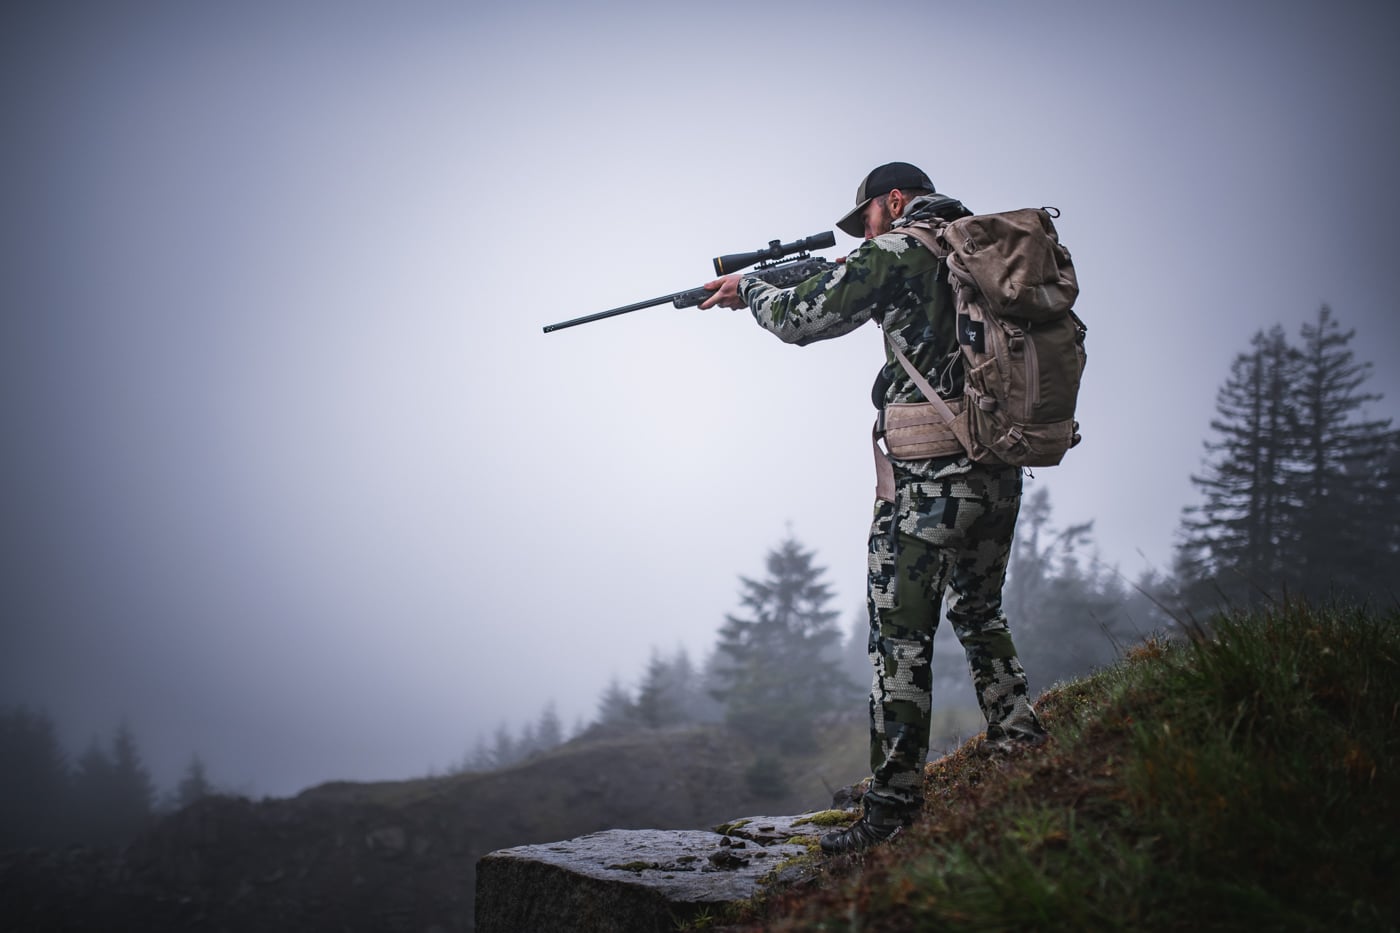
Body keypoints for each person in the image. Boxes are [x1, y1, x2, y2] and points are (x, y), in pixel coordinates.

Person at [701, 162, 1048, 854]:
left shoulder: (898, 249)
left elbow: (806, 318)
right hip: (1001, 469)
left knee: (899, 642)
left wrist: (755, 291)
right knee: (979, 612)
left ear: (893, 200)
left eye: (866, 218)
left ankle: (890, 811)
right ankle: (1023, 744)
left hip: (927, 484)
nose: (865, 232)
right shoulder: (980, 250)